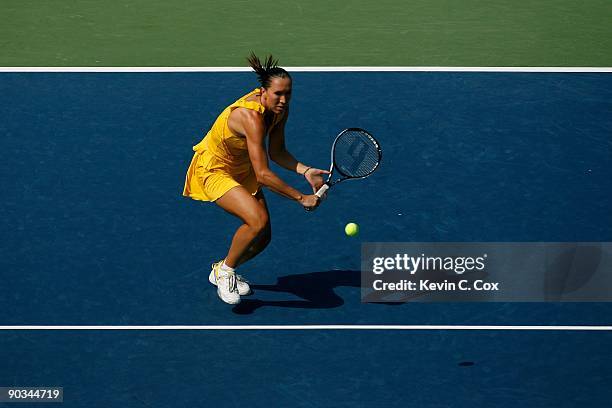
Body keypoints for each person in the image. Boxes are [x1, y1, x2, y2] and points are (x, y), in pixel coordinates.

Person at [183, 53, 329, 305]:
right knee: (257, 220)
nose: (283, 100)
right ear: (263, 92)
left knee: (263, 236)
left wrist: (304, 170)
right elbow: (263, 173)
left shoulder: (279, 111)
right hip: (215, 169)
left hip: (242, 169)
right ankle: (225, 272)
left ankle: (222, 267)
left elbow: (277, 152)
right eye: (278, 94)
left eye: (288, 94)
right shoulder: (251, 118)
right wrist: (300, 197)